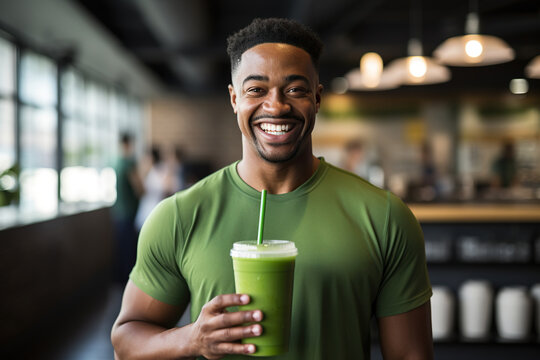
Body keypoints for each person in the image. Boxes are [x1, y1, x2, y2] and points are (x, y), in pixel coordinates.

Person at [111, 18, 433, 360]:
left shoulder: (384, 216)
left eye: (295, 89)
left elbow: (411, 355)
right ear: (235, 99)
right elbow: (126, 342)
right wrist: (191, 339)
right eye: (256, 90)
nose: (276, 105)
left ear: (317, 98)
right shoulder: (180, 215)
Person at [111, 132, 144, 284]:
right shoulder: (129, 163)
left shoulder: (117, 162)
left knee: (121, 248)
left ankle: (120, 279)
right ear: (129, 143)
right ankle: (130, 283)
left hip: (118, 211)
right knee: (130, 250)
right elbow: (139, 188)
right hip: (129, 213)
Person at [134, 145, 174, 231]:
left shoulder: (160, 170)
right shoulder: (151, 171)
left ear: (151, 157)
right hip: (148, 211)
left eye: (146, 157)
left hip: (154, 210)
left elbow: (168, 188)